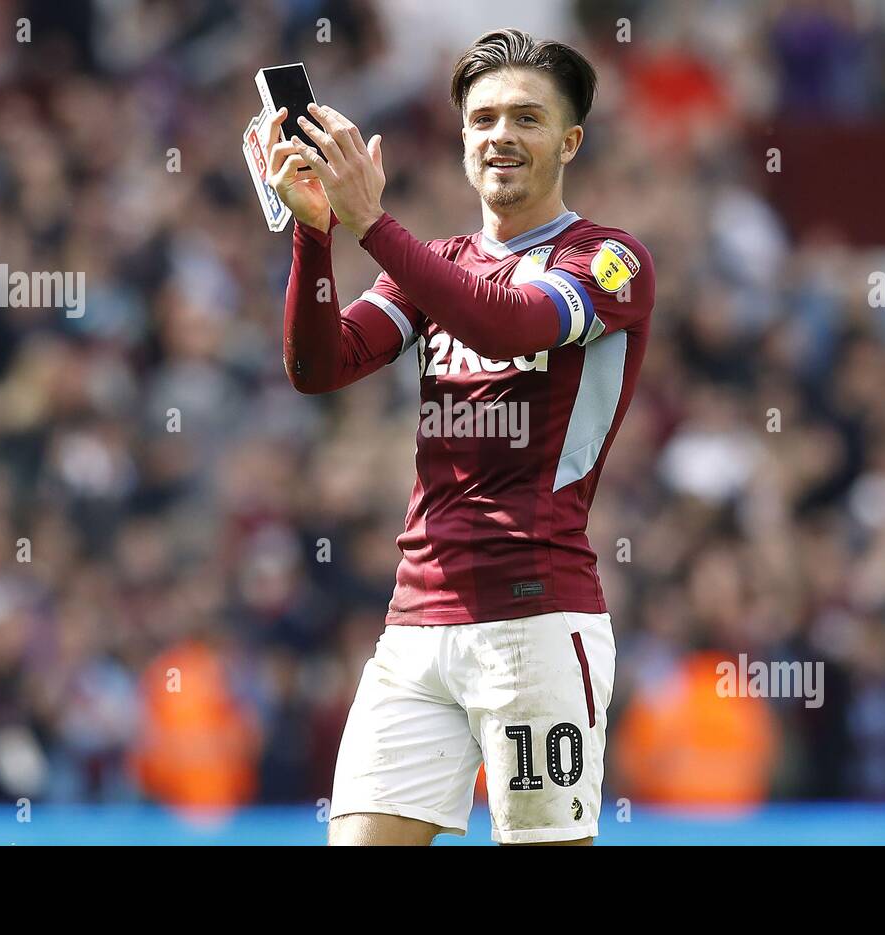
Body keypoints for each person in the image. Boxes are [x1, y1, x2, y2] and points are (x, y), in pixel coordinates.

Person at [263, 28, 655, 845]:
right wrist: (315, 230)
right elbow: (320, 364)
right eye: (482, 120)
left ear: (569, 141)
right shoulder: (432, 261)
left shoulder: (611, 260)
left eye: (526, 118)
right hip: (416, 626)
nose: (500, 136)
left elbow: (510, 323)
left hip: (536, 618)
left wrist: (371, 223)